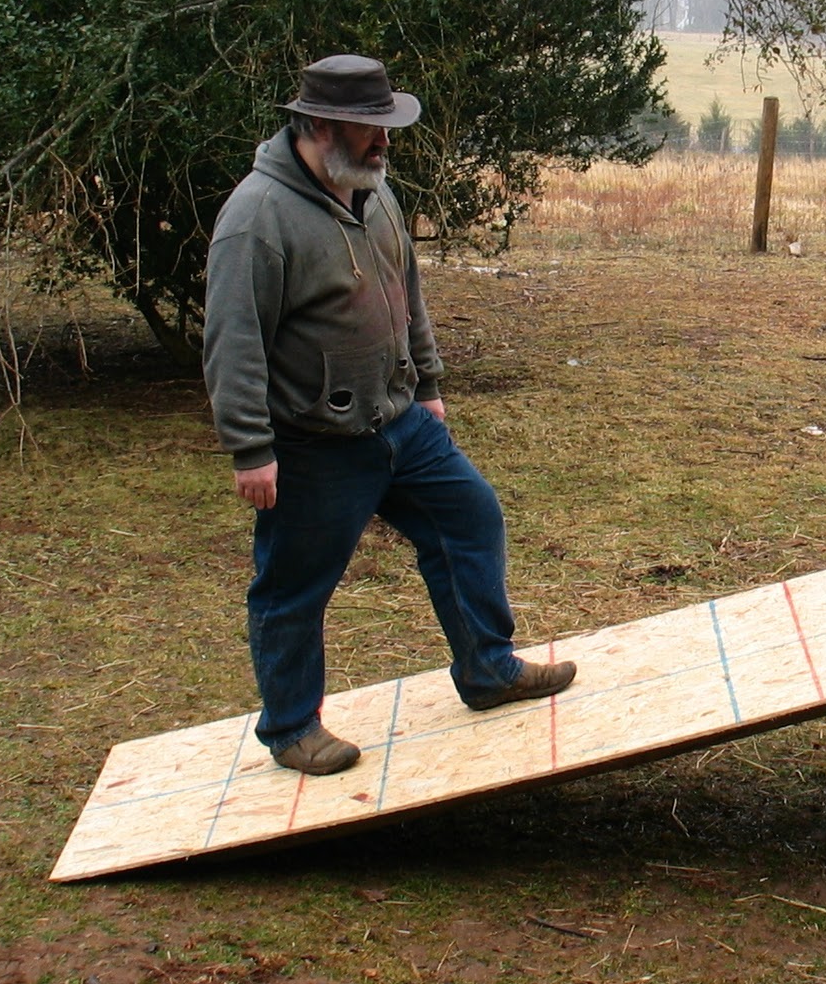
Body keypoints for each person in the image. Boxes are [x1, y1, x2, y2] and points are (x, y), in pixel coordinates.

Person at [203, 54, 575, 776]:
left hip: (401, 422)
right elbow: (233, 340)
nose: (384, 142)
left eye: (386, 127)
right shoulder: (256, 218)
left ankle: (488, 668)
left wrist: (427, 382)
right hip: (314, 443)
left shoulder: (374, 192)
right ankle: (291, 728)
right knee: (293, 586)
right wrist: (251, 448)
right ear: (319, 126)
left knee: (470, 518)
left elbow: (407, 294)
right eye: (369, 128)